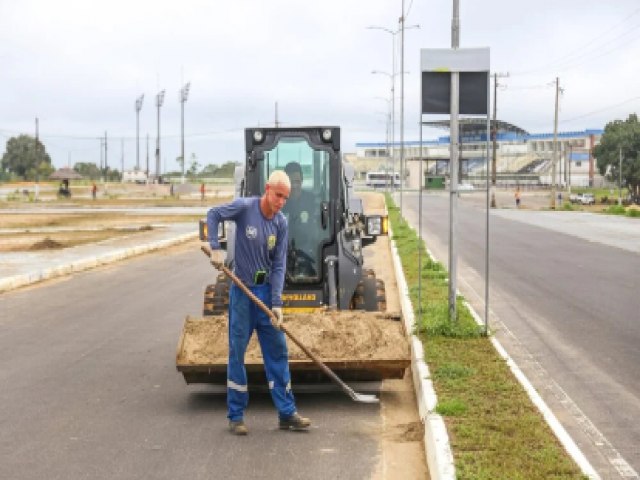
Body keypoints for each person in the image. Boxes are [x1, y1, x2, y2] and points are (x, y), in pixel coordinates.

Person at [206, 170, 311, 436]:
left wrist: (277, 303)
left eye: (285, 198)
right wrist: (216, 247)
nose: (281, 202)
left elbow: (279, 265)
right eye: (278, 195)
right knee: (237, 353)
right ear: (267, 189)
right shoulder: (244, 208)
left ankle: (287, 414)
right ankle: (236, 416)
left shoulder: (281, 223)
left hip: (264, 294)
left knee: (278, 352)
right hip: (242, 293)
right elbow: (214, 214)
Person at [282, 162, 319, 277]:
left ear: (302, 181)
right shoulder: (279, 203)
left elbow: (318, 229)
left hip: (309, 252)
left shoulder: (312, 201)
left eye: (297, 181)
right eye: (290, 182)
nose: (294, 186)